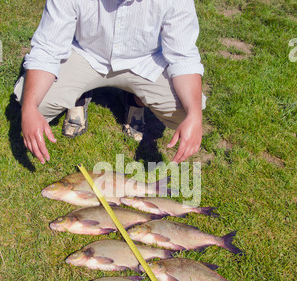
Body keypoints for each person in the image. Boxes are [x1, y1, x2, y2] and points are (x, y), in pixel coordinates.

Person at [14, 0, 206, 165]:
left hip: (144, 62)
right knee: (33, 102)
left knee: (186, 112)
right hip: (85, 54)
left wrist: (195, 115)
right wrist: (29, 108)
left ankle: (136, 99)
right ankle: (78, 94)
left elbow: (183, 58)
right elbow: (47, 50)